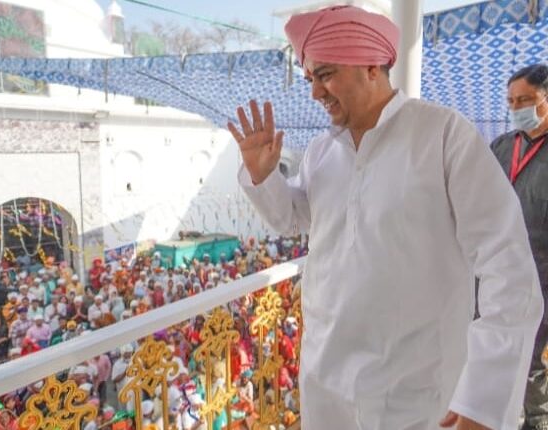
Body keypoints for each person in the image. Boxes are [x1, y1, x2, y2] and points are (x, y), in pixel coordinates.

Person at [228, 5, 543, 430]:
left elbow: (508, 268)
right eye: (310, 79)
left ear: (372, 66)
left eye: (325, 75)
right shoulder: (322, 151)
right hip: (326, 382)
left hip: (419, 391)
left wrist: (484, 399)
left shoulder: (444, 135)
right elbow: (296, 219)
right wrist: (263, 177)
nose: (315, 93)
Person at [489, 64, 548, 430]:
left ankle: (536, 422)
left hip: (542, 277)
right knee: (491, 352)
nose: (516, 108)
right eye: (511, 101)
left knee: (530, 361)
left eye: (525, 100)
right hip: (497, 271)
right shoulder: (501, 146)